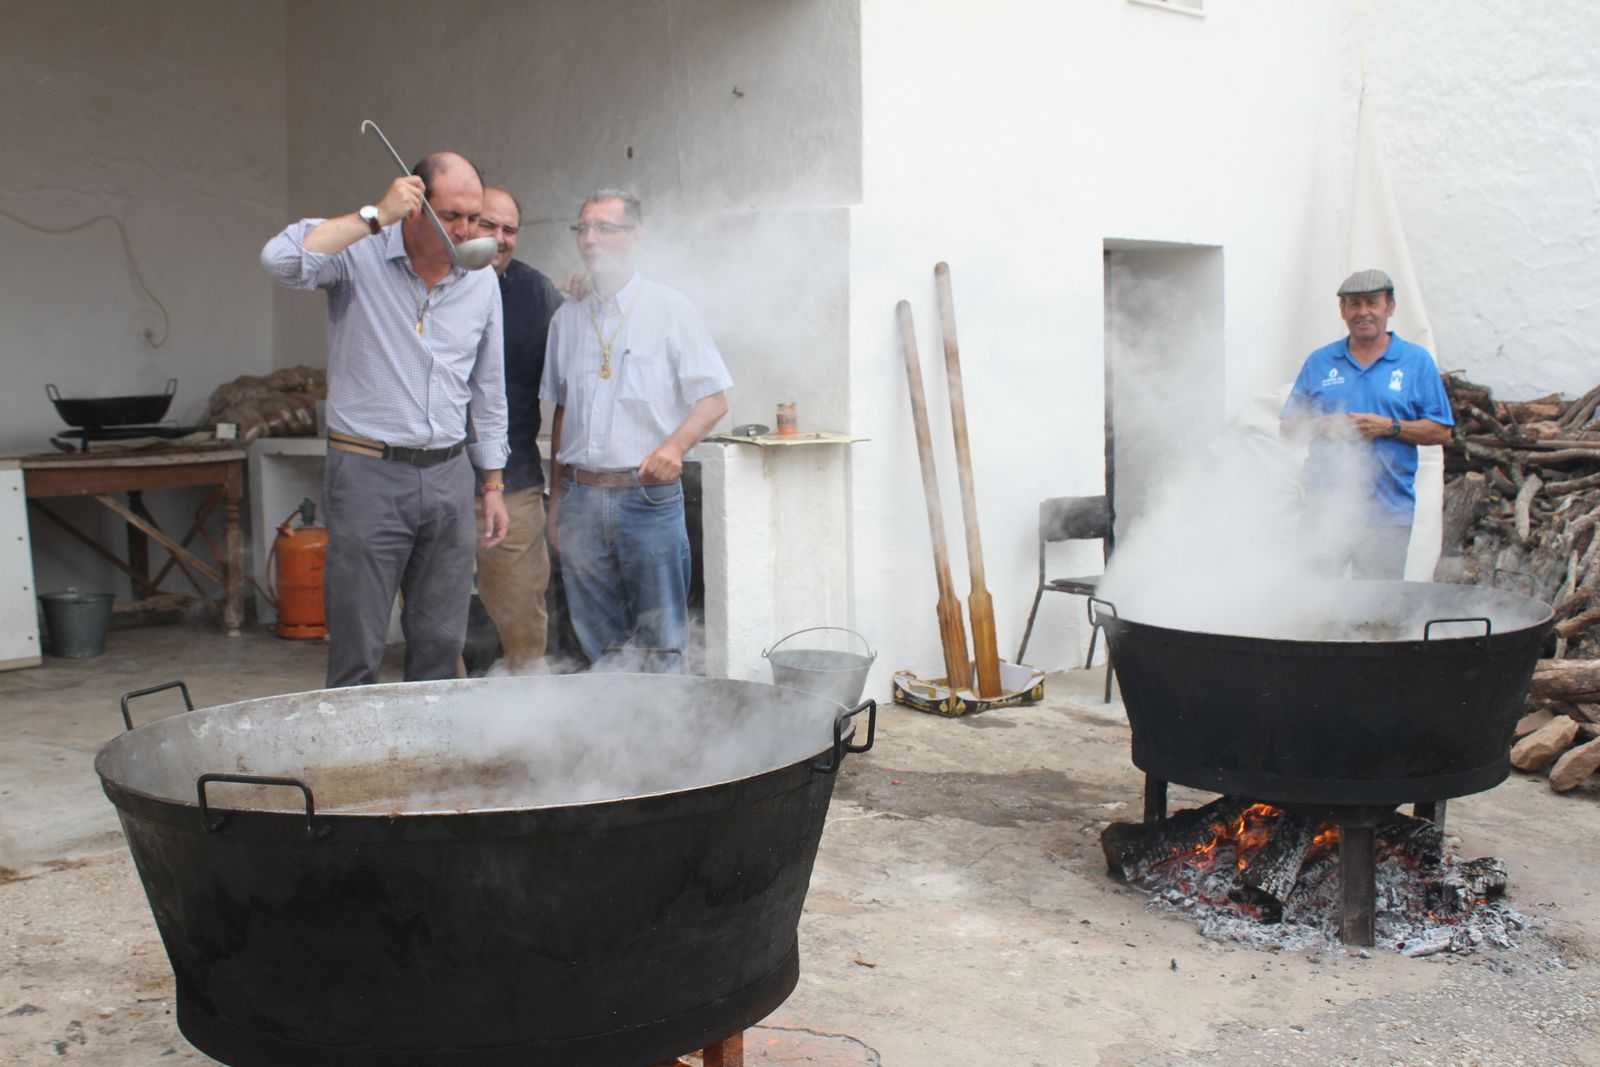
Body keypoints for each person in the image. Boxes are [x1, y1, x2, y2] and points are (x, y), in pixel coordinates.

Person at [261, 152, 510, 687]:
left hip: (448, 474)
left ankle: (432, 762)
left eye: (474, 217)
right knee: (359, 641)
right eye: (451, 216)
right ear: (414, 204)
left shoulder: (481, 280)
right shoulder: (361, 254)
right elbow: (280, 261)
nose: (464, 230)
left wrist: (491, 480)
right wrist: (375, 214)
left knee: (442, 642)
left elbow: (488, 388)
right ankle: (351, 766)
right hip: (368, 470)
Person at [540, 189, 731, 671]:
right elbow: (563, 413)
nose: (590, 238)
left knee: (662, 636)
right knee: (598, 639)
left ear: (636, 236)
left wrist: (674, 447)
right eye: (583, 228)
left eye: (604, 227)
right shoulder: (566, 319)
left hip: (648, 499)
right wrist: (557, 500)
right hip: (582, 498)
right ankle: (617, 742)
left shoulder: (670, 308)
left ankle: (669, 743)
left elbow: (714, 400)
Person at [1280, 269, 1454, 579]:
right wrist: (1323, 424)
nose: (1363, 312)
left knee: (1377, 612)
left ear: (1390, 307)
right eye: (1354, 304)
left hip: (1389, 514)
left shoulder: (1416, 362)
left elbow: (1442, 431)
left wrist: (1390, 427)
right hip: (1324, 511)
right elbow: (1288, 430)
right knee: (1310, 604)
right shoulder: (1320, 361)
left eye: (1372, 303)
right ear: (1343, 310)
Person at [470, 186, 563, 673]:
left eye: (509, 229)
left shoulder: (538, 293)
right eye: (488, 225)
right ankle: (444, 714)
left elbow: (578, 362)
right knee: (432, 615)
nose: (500, 238)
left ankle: (529, 718)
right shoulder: (431, 281)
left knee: (520, 609)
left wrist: (586, 298)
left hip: (514, 482)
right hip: (432, 479)